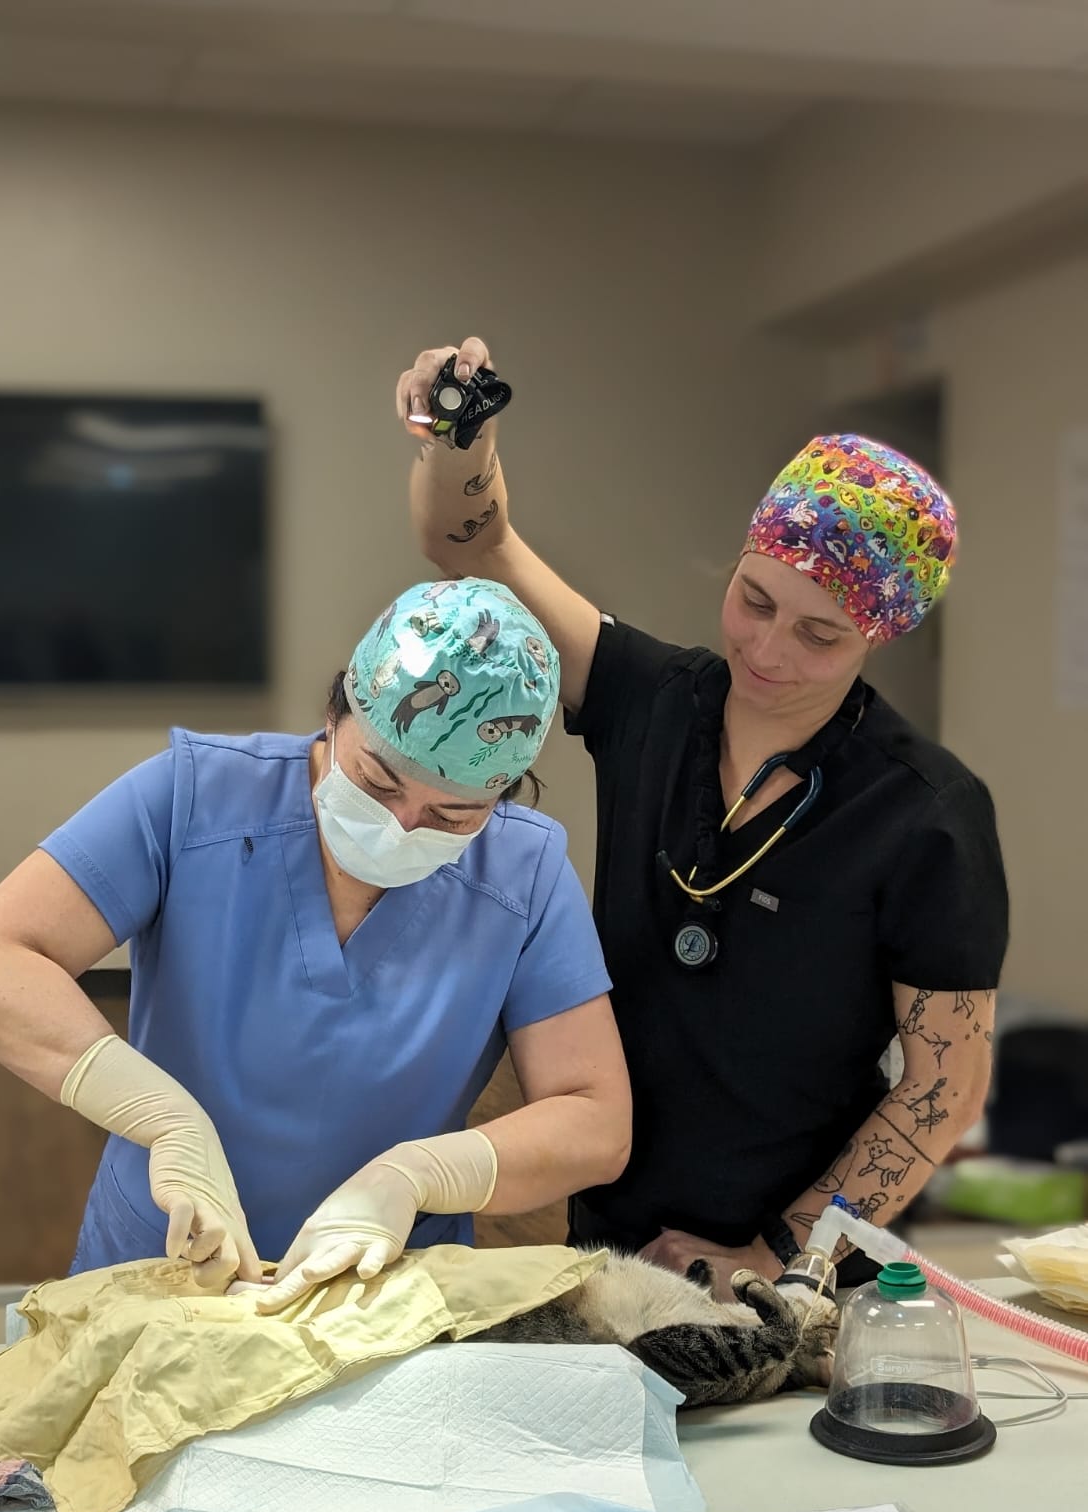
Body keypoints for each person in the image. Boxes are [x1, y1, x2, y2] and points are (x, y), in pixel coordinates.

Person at [397, 337, 1009, 1290]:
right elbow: (470, 542)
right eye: (753, 599)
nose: (767, 651)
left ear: (878, 636)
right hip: (597, 1226)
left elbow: (945, 1088)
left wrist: (778, 1253)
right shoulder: (650, 698)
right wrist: (458, 436)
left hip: (778, 1268)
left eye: (819, 635)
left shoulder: (924, 814)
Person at [0, 578, 632, 1312]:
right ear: (336, 712)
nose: (401, 825)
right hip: (158, 1272)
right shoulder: (197, 797)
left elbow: (595, 1118)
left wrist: (419, 1175)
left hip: (376, 1295)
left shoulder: (523, 874)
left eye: (451, 815)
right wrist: (167, 1120)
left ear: (502, 796)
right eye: (377, 782)